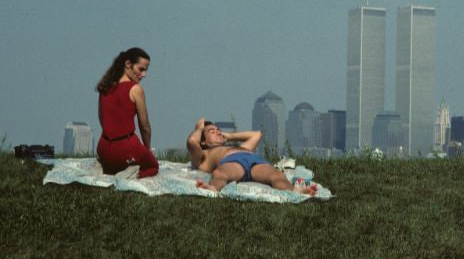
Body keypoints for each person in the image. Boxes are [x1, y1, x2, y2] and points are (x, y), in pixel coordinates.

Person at [186, 118, 316, 195]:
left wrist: (228, 136)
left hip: (255, 161)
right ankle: (213, 188)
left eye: (218, 130)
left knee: (277, 175)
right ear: (203, 141)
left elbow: (257, 135)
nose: (218, 132)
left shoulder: (239, 147)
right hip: (231, 163)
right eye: (212, 131)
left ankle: (295, 191)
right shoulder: (204, 155)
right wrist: (199, 127)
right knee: (221, 173)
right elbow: (192, 141)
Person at [95, 47, 159, 178]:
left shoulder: (104, 87)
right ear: (128, 64)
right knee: (153, 166)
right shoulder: (136, 89)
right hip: (126, 149)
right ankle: (132, 172)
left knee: (114, 165)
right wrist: (147, 150)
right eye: (141, 69)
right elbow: (145, 126)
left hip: (103, 150)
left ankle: (108, 168)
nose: (144, 75)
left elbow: (102, 121)